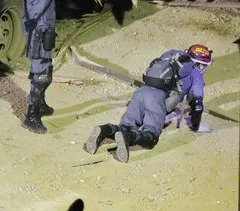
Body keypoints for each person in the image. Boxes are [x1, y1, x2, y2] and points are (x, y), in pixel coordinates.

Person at [84, 44, 213, 163]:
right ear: (200, 64)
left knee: (127, 126)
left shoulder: (172, 55)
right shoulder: (196, 75)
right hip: (157, 99)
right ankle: (129, 137)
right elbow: (197, 105)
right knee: (151, 137)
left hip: (141, 92)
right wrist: (195, 126)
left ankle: (104, 129)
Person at [21, 0, 70, 134]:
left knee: (46, 68)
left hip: (44, 27)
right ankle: (31, 116)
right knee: (40, 72)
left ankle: (40, 104)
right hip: (38, 28)